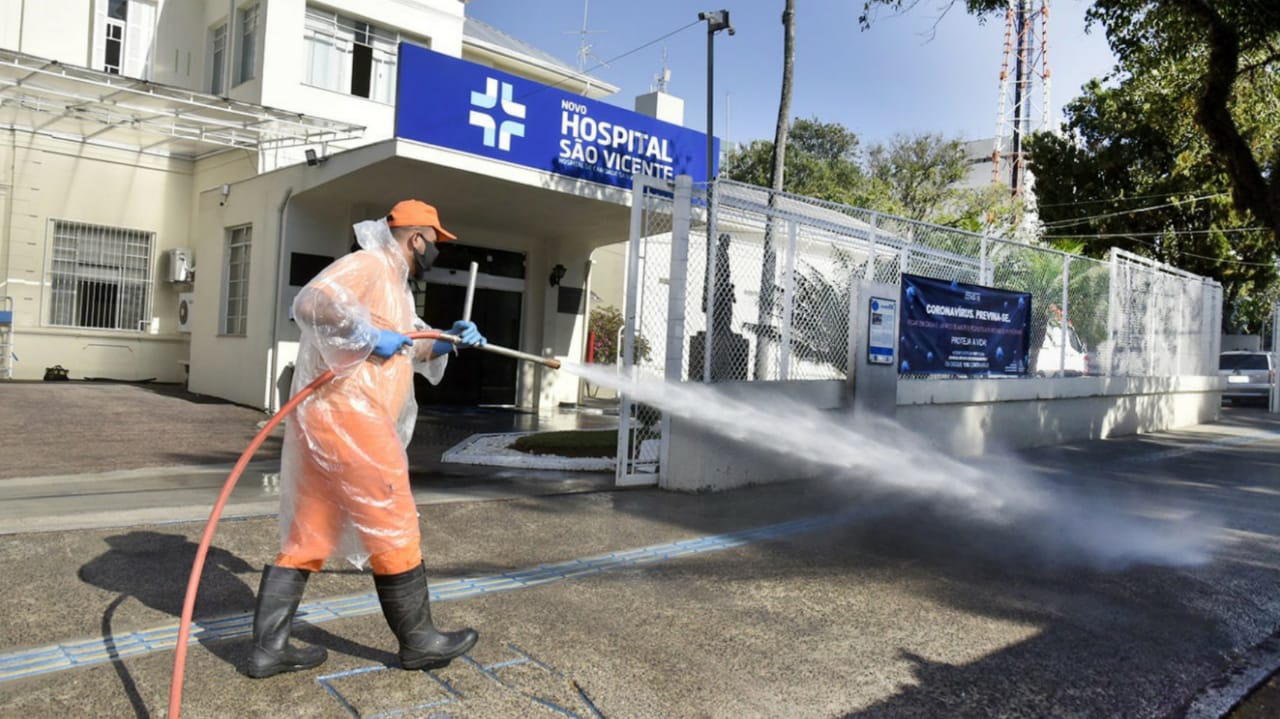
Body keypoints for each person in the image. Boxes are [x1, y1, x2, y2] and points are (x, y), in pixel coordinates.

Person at [247, 200, 487, 679]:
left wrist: (447, 339)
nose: (437, 250)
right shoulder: (370, 264)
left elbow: (407, 346)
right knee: (393, 521)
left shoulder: (395, 286)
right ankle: (419, 641)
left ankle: (269, 649)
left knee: (308, 532)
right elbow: (311, 302)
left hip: (332, 422)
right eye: (435, 241)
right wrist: (366, 332)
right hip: (351, 419)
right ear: (417, 238)